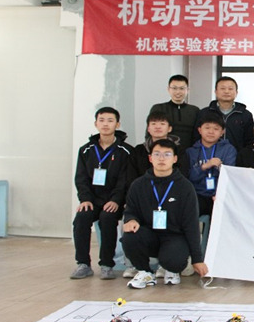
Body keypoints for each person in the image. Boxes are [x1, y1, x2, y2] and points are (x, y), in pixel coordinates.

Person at [121, 139, 208, 289]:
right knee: (129, 237)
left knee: (173, 260)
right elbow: (131, 211)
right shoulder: (138, 185)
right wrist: (131, 220)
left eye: (167, 154)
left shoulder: (185, 187)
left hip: (174, 237)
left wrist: (197, 259)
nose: (161, 158)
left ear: (175, 159)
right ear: (150, 158)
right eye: (157, 154)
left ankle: (172, 270)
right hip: (149, 235)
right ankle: (145, 272)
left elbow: (191, 225)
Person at [71, 107, 134, 280]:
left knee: (107, 218)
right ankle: (83, 264)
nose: (106, 124)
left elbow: (124, 180)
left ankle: (107, 265)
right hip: (92, 200)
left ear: (117, 124)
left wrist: (116, 200)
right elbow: (81, 178)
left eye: (110, 120)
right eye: (102, 120)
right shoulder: (86, 150)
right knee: (81, 218)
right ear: (96, 123)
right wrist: (85, 199)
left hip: (114, 201)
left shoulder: (126, 151)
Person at [183, 111, 237, 218]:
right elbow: (189, 178)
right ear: (200, 130)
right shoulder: (191, 152)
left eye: (216, 129)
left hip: (220, 195)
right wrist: (204, 166)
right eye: (207, 128)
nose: (211, 132)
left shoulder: (228, 150)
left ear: (222, 132)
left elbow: (230, 176)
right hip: (197, 195)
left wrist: (219, 167)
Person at [196, 76, 254, 151]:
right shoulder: (204, 113)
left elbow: (250, 140)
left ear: (236, 92)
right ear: (216, 92)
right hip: (207, 155)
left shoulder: (245, 115)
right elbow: (196, 137)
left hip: (237, 156)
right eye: (222, 88)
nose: (226, 91)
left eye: (230, 89)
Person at [149, 75, 201, 152]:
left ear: (187, 90)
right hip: (164, 153)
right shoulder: (158, 108)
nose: (178, 92)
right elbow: (150, 133)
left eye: (182, 88)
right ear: (168, 89)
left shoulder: (195, 110)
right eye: (174, 88)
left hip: (188, 153)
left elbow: (197, 135)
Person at [129, 111, 181, 179]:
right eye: (153, 124)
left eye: (162, 124)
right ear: (148, 129)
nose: (158, 127)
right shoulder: (139, 150)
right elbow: (131, 175)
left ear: (169, 128)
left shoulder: (179, 149)